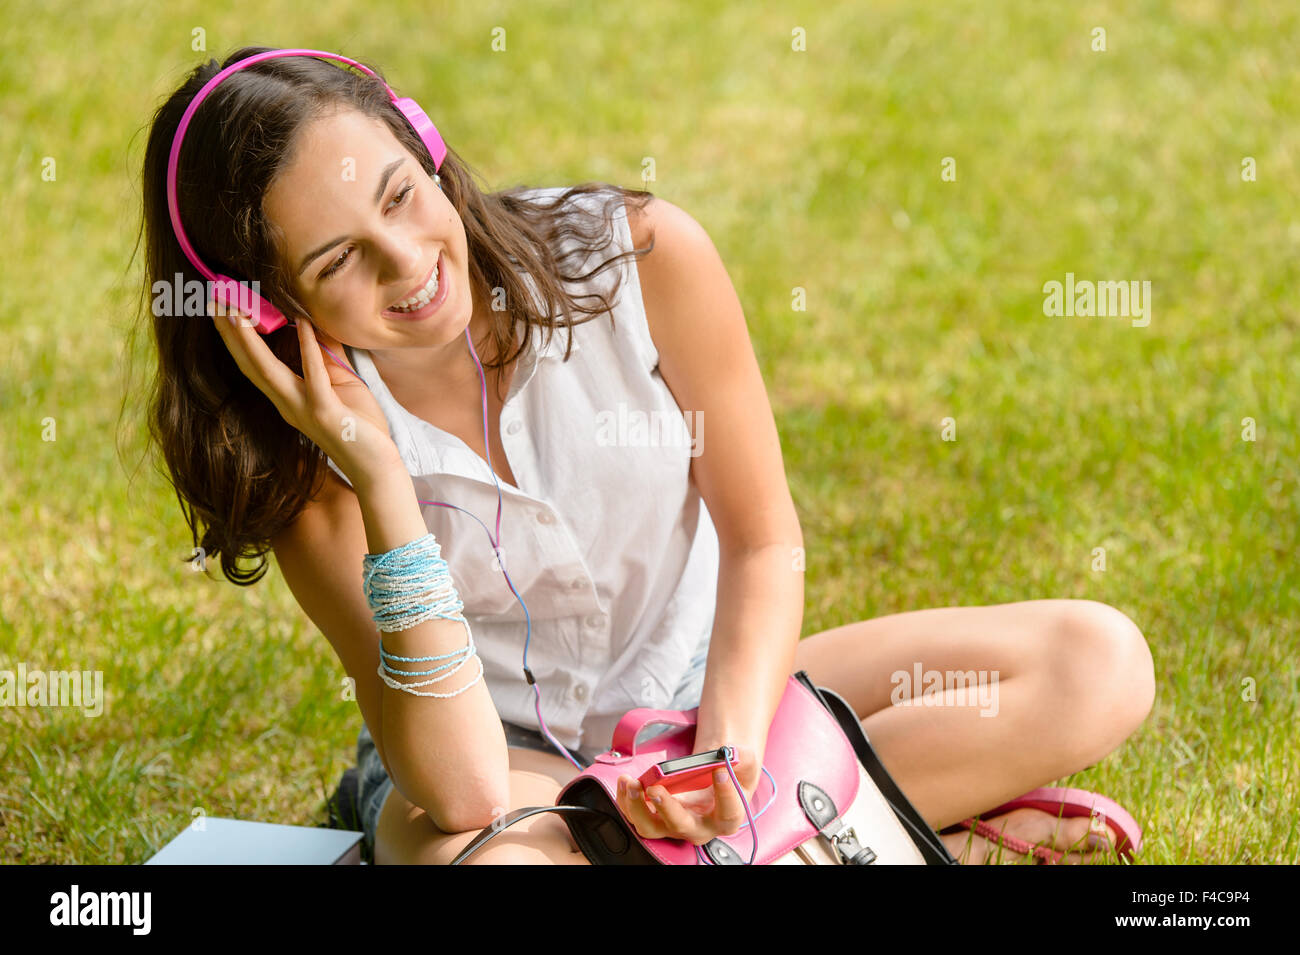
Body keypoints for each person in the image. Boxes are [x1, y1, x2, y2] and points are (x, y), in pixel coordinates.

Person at [135, 46, 1155, 865]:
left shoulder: (646, 257)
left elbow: (762, 546)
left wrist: (730, 752)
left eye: (400, 197)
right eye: (337, 260)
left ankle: (766, 825)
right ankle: (852, 829)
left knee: (1096, 665)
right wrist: (381, 477)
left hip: (716, 700)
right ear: (262, 307)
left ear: (426, 145)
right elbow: (463, 790)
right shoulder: (306, 466)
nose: (407, 263)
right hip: (510, 772)